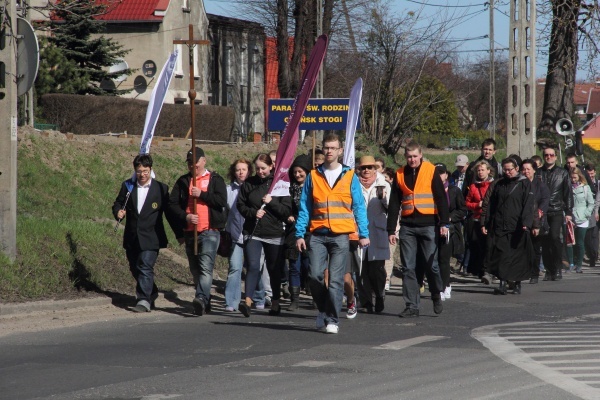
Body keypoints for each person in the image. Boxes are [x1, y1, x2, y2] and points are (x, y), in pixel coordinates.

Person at [296, 133, 370, 334]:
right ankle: (323, 310)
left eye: (332, 148)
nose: (328, 151)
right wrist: (299, 234)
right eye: (326, 147)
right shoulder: (313, 176)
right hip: (318, 234)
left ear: (340, 150)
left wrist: (363, 233)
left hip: (340, 236)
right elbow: (305, 207)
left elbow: (359, 207)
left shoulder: (349, 176)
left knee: (336, 279)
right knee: (314, 276)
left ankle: (333, 319)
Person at [387, 141, 449, 318]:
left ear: (420, 155)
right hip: (408, 226)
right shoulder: (400, 174)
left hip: (429, 224)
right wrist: (391, 229)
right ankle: (412, 306)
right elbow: (394, 203)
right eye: (409, 157)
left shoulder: (430, 170)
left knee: (432, 265)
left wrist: (444, 222)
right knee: (408, 268)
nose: (412, 160)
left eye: (415, 156)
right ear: (405, 157)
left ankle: (436, 293)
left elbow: (441, 198)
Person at [169, 147, 227, 316]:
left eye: (194, 162)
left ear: (203, 161)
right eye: (188, 163)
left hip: (210, 231)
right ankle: (205, 300)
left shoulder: (215, 179)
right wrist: (186, 217)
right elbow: (172, 205)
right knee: (195, 269)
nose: (192, 165)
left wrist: (202, 194)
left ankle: (200, 298)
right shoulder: (183, 181)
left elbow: (221, 201)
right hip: (190, 231)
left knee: (205, 268)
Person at [112, 154, 174, 313]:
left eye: (145, 171)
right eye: (139, 171)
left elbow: (171, 212)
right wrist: (118, 211)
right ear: (135, 170)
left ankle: (143, 300)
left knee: (145, 265)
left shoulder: (161, 188)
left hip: (152, 237)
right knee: (135, 268)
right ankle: (151, 292)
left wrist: (181, 232)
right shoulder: (128, 186)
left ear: (151, 170)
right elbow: (118, 202)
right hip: (132, 236)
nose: (142, 174)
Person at [237, 153, 292, 317]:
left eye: (263, 168)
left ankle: (275, 301)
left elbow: (286, 211)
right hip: (253, 232)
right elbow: (240, 205)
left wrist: (272, 201)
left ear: (271, 167)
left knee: (274, 269)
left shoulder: (280, 184)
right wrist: (253, 213)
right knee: (253, 265)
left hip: (274, 233)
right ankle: (247, 301)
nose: (260, 171)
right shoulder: (248, 184)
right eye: (258, 168)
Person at [482, 157, 534, 295]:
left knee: (517, 256)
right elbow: (491, 205)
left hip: (517, 225)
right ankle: (502, 283)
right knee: (501, 255)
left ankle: (517, 284)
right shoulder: (499, 184)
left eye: (510, 169)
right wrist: (486, 222)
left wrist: (526, 223)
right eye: (504, 170)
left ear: (516, 169)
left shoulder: (524, 184)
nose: (507, 172)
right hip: (500, 224)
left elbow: (528, 205)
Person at [356, 155, 391, 313]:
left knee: (376, 269)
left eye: (370, 167)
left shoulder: (384, 184)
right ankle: (366, 301)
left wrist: (383, 199)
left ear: (375, 169)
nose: (366, 170)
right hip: (359, 232)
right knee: (361, 269)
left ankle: (380, 295)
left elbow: (392, 208)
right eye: (363, 168)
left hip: (377, 232)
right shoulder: (354, 184)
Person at [539, 147, 573, 281]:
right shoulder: (538, 173)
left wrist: (569, 211)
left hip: (556, 209)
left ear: (555, 157)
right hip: (542, 211)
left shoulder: (563, 173)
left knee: (554, 237)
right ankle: (549, 270)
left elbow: (568, 193)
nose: (549, 157)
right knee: (545, 241)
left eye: (551, 155)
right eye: (546, 155)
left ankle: (558, 267)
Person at [223, 158, 253, 312]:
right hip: (235, 235)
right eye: (238, 169)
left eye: (244, 169)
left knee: (254, 267)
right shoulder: (229, 190)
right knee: (235, 267)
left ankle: (259, 297)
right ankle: (231, 302)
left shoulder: (255, 188)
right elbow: (225, 212)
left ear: (249, 171)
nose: (241, 172)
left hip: (253, 235)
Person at [284, 154, 312, 311]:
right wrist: (287, 214)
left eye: (300, 171)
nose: (297, 175)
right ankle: (294, 299)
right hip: (293, 231)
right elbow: (283, 206)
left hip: (311, 231)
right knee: (294, 265)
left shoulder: (314, 187)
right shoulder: (289, 189)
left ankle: (315, 294)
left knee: (310, 265)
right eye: (295, 172)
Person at [435, 163, 466, 300]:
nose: (439, 175)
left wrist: (449, 217)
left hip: (448, 229)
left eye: (441, 172)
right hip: (432, 227)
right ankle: (436, 284)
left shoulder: (454, 191)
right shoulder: (429, 190)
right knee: (432, 259)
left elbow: (462, 210)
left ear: (446, 175)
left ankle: (445, 285)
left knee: (443, 259)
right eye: (436, 173)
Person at [465, 160, 494, 283]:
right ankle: (481, 270)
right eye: (478, 170)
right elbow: (466, 203)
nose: (480, 172)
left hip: (490, 220)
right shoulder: (473, 186)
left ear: (488, 170)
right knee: (479, 246)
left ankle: (489, 271)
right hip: (477, 219)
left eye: (482, 170)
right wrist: (477, 205)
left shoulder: (494, 185)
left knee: (489, 246)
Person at [521, 159, 549, 284]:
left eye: (528, 169)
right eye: (524, 169)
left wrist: (540, 212)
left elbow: (545, 200)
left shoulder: (540, 185)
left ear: (533, 170)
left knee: (535, 248)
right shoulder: (520, 184)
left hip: (537, 220)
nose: (526, 171)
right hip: (522, 220)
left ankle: (534, 273)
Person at [566, 167, 594, 273]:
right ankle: (571, 263)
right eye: (571, 177)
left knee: (580, 242)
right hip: (570, 218)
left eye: (575, 177)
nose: (573, 179)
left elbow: (591, 203)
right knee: (569, 242)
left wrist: (587, 214)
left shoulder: (585, 188)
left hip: (582, 218)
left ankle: (579, 265)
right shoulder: (567, 188)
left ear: (579, 176)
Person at [584, 163, 600, 268]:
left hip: (596, 209)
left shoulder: (598, 182)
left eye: (592, 173)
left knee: (595, 235)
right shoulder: (585, 183)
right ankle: (593, 256)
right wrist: (596, 211)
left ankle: (595, 254)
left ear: (595, 172)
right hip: (592, 210)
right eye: (588, 173)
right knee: (592, 235)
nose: (590, 175)